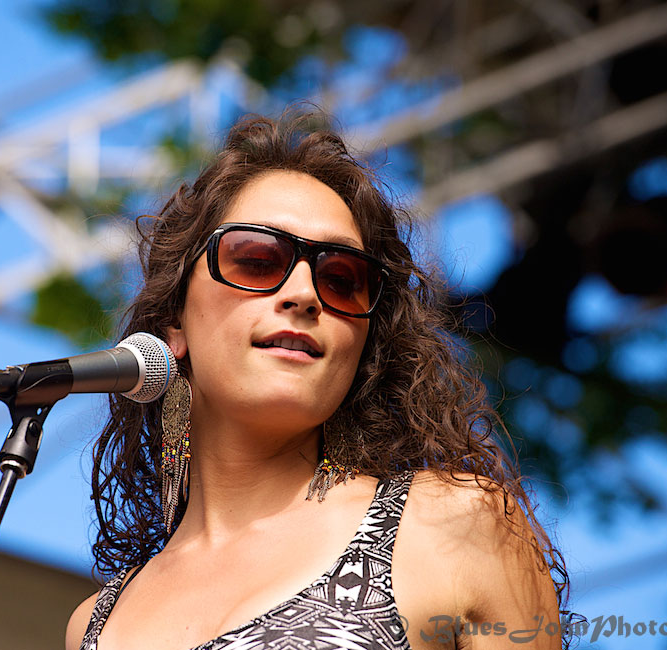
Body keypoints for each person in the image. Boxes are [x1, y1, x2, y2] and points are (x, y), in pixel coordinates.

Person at [66, 109, 567, 650]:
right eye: (257, 259)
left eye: (342, 279)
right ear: (175, 322)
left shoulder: (453, 525)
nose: (304, 294)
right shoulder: (98, 624)